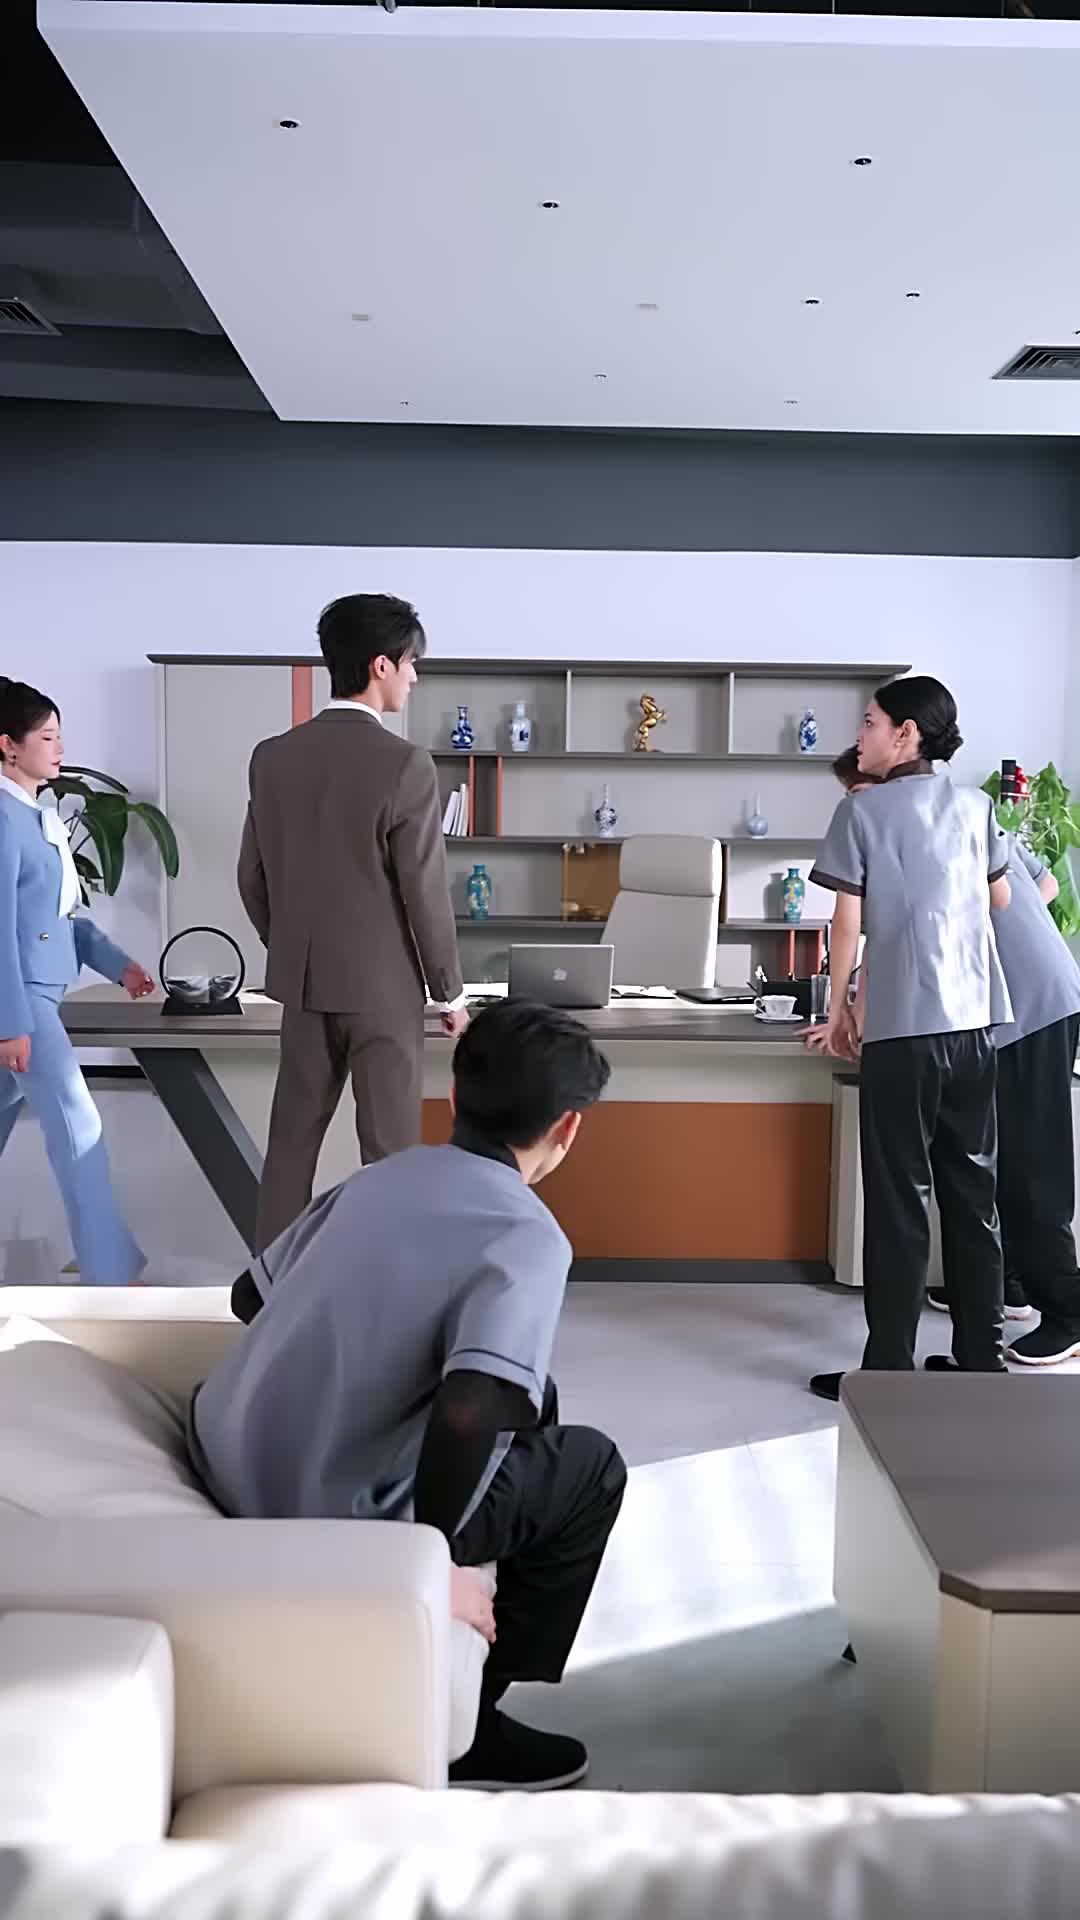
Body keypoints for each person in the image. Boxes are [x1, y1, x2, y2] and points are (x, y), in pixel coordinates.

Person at [187, 999, 624, 1791]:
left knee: (535, 1395)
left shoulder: (377, 1179)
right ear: (567, 1128)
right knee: (590, 1468)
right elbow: (467, 1409)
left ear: (454, 1095)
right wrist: (427, 1561)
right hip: (329, 1508)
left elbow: (248, 1299)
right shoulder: (527, 1236)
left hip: (225, 1452)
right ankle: (473, 1727)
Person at [238, 593, 467, 1251]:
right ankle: (388, 1287)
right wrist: (449, 993)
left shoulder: (272, 756)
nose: (414, 677)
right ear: (380, 665)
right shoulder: (405, 764)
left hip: (304, 989)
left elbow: (252, 877)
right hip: (383, 993)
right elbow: (424, 893)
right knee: (390, 1154)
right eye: (411, 663)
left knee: (290, 1146)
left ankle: (272, 1283)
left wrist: (291, 947)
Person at [806, 677, 1011, 1399]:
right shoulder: (977, 805)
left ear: (906, 732)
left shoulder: (860, 810)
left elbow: (847, 922)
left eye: (869, 722)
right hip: (975, 1024)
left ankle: (890, 1370)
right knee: (973, 1197)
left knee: (899, 1202)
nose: (859, 736)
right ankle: (982, 1361)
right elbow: (999, 897)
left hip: (903, 1030)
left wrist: (839, 1007)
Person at [0, 678, 155, 1284]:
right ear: (8, 745)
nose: (61, 747)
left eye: (60, 735)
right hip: (21, 1001)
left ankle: (109, 1259)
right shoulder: (4, 820)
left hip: (38, 993)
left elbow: (61, 916)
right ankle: (111, 1271)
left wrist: (119, 965)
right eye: (47, 737)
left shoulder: (35, 815)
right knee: (78, 1124)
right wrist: (10, 1024)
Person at [927, 834, 1080, 1366]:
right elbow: (1046, 882)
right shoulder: (973, 814)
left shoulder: (922, 825)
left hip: (1031, 1005)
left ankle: (1067, 1312)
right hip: (1027, 997)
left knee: (1031, 1164)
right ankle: (1009, 1285)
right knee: (997, 1151)